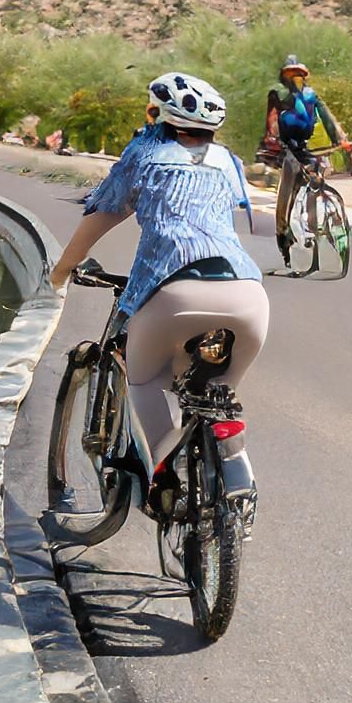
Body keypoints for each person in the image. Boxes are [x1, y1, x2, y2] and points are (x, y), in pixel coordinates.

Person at [48, 72, 268, 485]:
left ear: (158, 116)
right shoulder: (229, 161)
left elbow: (101, 216)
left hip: (175, 291)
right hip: (249, 296)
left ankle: (166, 477)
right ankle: (233, 482)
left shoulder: (145, 152)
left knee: (144, 379)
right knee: (215, 398)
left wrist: (60, 272)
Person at [270, 55, 352, 266]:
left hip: (307, 148)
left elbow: (327, 118)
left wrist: (340, 140)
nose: (295, 78)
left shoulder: (310, 96)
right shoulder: (281, 97)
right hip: (291, 149)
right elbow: (274, 125)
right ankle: (283, 234)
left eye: (298, 74)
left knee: (314, 182)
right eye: (292, 75)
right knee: (286, 194)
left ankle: (313, 228)